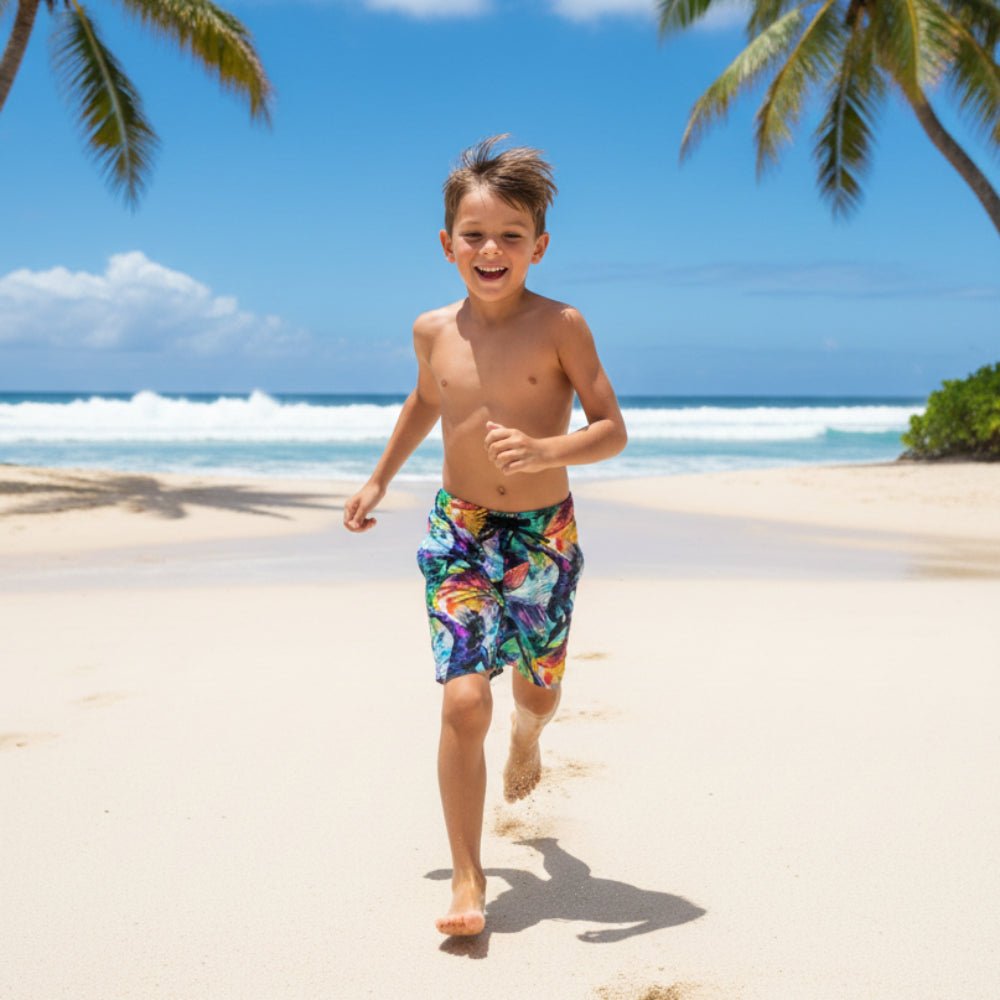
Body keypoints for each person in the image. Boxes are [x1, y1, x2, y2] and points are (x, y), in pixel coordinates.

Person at [343, 135, 627, 937]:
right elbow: (425, 402)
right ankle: (468, 881)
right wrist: (379, 478)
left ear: (539, 245)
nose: (491, 250)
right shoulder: (432, 330)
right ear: (447, 245)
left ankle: (531, 734)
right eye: (475, 235)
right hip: (460, 530)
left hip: (543, 535)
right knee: (465, 702)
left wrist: (548, 450)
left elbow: (611, 429)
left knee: (532, 692)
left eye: (510, 236)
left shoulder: (561, 325)